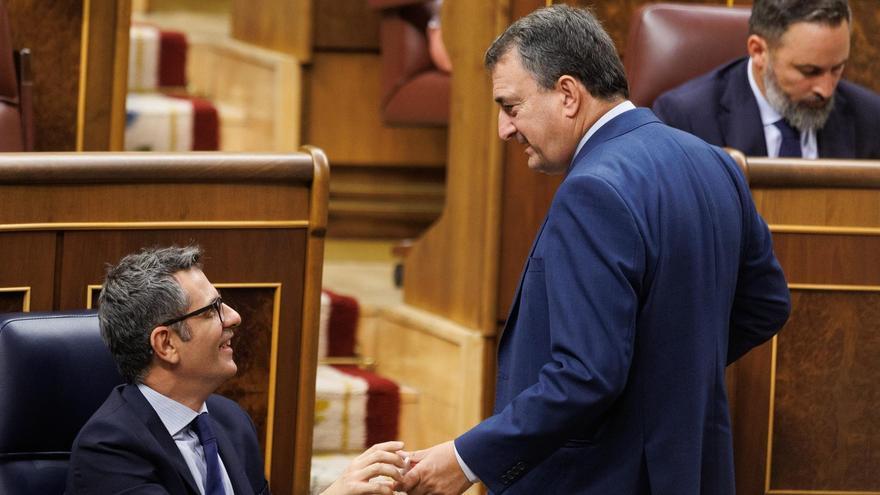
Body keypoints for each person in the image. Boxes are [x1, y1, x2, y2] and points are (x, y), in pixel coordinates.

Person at [398, 5, 790, 495]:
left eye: (511, 106)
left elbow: (585, 375)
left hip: (606, 477)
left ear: (567, 94)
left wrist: (465, 459)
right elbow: (768, 304)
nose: (504, 129)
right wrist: (669, 371)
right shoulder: (717, 164)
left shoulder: (593, 192)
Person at [67, 245, 406, 495]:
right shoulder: (109, 449)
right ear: (166, 344)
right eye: (212, 309)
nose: (233, 317)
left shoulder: (230, 421)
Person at [653, 0, 880, 159]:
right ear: (759, 51)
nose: (827, 89)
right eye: (810, 71)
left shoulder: (871, 118)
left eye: (837, 68)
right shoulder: (686, 121)